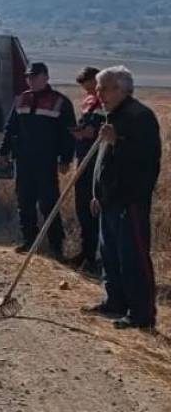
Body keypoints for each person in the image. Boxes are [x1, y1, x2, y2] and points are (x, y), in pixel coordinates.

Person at [82, 66, 162, 330]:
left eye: (104, 88)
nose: (98, 93)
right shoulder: (113, 116)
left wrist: (118, 141)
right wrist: (97, 194)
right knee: (111, 256)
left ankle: (141, 315)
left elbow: (146, 160)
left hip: (131, 201)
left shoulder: (140, 117)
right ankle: (114, 301)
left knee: (133, 258)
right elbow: (104, 164)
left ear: (120, 89)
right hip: (109, 201)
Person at [0, 62, 76, 258]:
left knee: (49, 203)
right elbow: (10, 128)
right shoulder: (21, 100)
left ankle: (56, 247)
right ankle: (29, 242)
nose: (30, 80)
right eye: (28, 77)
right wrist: (3, 151)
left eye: (35, 76)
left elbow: (69, 134)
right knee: (25, 202)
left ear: (46, 77)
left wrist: (65, 159)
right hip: (23, 159)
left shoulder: (60, 102)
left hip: (46, 161)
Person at [68, 66, 103, 272]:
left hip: (97, 163)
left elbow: (103, 131)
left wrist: (91, 132)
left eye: (88, 86)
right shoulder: (88, 102)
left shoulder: (106, 103)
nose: (86, 91)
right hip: (83, 159)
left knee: (93, 209)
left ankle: (94, 256)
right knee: (82, 207)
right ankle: (85, 252)